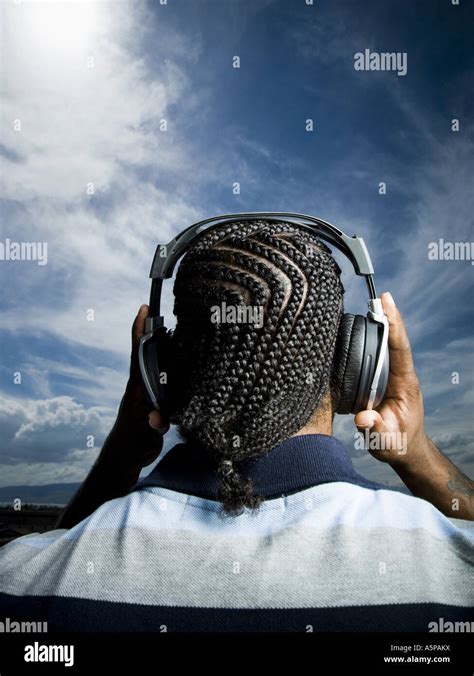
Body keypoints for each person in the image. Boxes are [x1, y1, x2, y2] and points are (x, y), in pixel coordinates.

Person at [0, 220, 472, 631]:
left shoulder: (23, 581)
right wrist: (416, 451)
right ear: (355, 366)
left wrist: (126, 444)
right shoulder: (456, 570)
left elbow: (60, 549)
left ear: (159, 369)